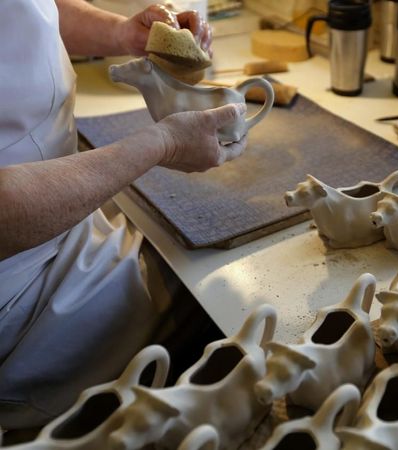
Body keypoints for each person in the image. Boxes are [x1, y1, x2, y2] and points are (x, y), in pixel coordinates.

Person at [0, 0, 247, 430]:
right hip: (19, 286)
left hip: (57, 211)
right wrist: (162, 144)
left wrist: (124, 34)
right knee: (217, 290)